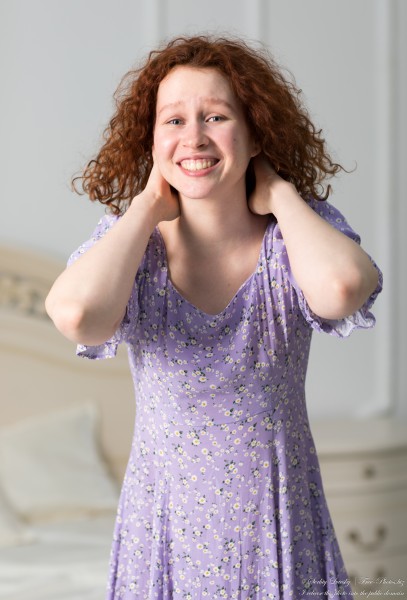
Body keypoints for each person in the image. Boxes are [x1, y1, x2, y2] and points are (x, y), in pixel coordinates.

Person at [46, 35, 382, 600]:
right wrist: (147, 206)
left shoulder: (292, 239)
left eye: (217, 116)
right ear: (151, 140)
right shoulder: (133, 250)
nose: (194, 137)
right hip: (165, 531)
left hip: (279, 526)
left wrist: (279, 193)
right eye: (173, 120)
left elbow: (344, 288)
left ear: (255, 135)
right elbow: (79, 315)